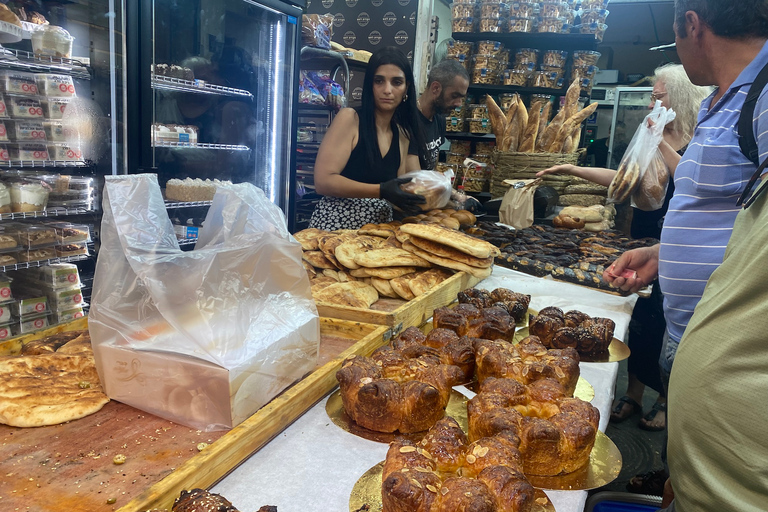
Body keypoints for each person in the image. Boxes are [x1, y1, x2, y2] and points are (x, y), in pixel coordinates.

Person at [602, 1, 768, 509]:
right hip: (688, 333)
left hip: (732, 361)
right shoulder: (725, 98)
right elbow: (729, 215)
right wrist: (662, 252)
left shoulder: (763, 98)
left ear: (692, 24)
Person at [537, 64, 711, 439]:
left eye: (659, 96)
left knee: (668, 322)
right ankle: (632, 392)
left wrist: (660, 140)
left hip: (679, 243)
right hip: (645, 238)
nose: (652, 102)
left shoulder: (699, 138)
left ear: (679, 97)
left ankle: (664, 398)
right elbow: (623, 181)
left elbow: (692, 182)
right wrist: (572, 169)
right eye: (652, 96)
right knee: (642, 320)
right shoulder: (650, 136)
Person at [308, 47, 427, 231]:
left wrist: (450, 198)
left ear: (407, 88)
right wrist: (381, 190)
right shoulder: (350, 119)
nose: (387, 90)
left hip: (378, 233)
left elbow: (401, 190)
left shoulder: (403, 135)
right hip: (335, 229)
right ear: (370, 85)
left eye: (396, 82)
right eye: (379, 81)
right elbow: (323, 181)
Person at [414, 59, 469, 170]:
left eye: (461, 98)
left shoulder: (440, 119)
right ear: (436, 88)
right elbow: (413, 178)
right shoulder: (409, 120)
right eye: (454, 96)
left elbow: (433, 166)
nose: (459, 104)